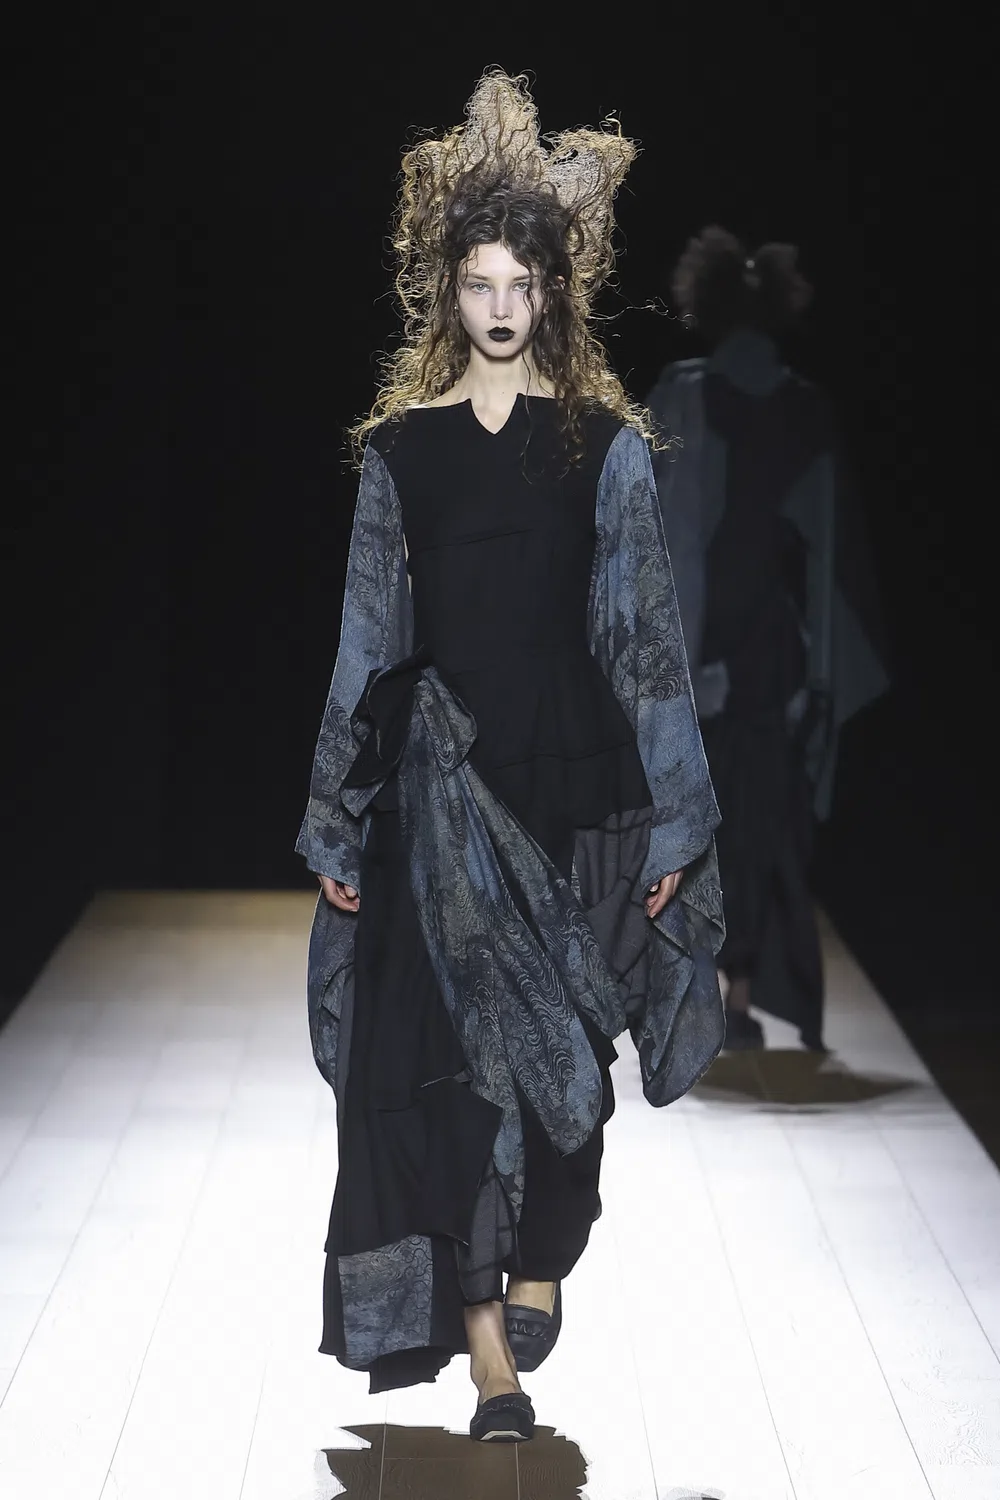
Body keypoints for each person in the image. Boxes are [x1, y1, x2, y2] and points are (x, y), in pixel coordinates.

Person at [296, 73, 725, 1444]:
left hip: (576, 787)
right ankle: (492, 1362)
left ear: (552, 291)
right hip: (433, 799)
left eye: (518, 283)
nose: (496, 305)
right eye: (476, 281)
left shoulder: (606, 451)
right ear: (447, 289)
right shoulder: (401, 453)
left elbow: (647, 642)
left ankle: (541, 1260)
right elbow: (366, 641)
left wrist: (676, 819)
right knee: (442, 1084)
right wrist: (336, 817)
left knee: (564, 1090)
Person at [647, 226, 887, 1052]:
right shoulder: (805, 408)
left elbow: (647, 531)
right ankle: (739, 997)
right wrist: (819, 670)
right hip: (771, 649)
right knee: (761, 825)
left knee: (693, 819)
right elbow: (829, 556)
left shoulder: (682, 395)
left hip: (698, 644)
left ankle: (700, 998)